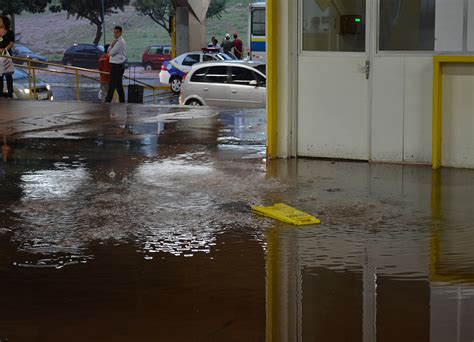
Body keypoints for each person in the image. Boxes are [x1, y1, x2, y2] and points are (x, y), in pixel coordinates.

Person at [105, 26, 126, 103]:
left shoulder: (120, 42)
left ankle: (108, 101)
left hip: (117, 66)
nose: (115, 34)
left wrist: (111, 48)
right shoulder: (116, 41)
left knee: (112, 85)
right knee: (118, 86)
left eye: (117, 32)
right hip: (115, 65)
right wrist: (112, 45)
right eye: (114, 32)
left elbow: (110, 53)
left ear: (120, 33)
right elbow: (108, 50)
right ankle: (122, 101)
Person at [0, 15, 14, 99]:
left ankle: (10, 93)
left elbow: (11, 44)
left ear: (4, 22)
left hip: (7, 55)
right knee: (0, 75)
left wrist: (4, 49)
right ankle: (0, 93)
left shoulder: (9, 32)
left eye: (0, 20)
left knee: (8, 74)